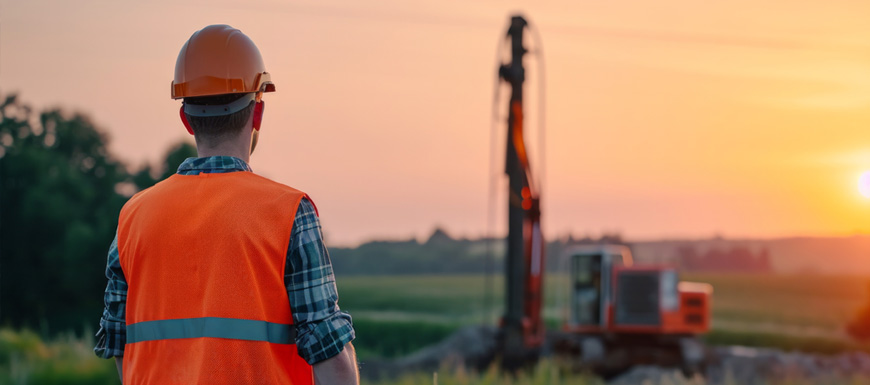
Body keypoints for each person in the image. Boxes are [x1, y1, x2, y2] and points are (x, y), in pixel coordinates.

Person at [94, 24, 358, 385]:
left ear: (186, 120)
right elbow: (332, 359)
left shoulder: (133, 218)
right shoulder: (288, 213)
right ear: (258, 114)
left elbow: (122, 348)